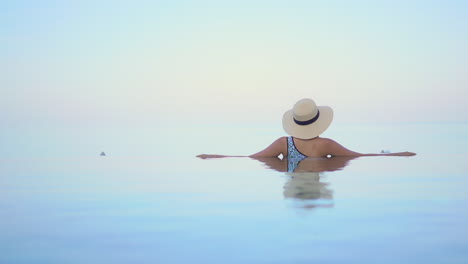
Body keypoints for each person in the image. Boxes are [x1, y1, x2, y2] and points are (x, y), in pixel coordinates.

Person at [197, 98, 416, 159]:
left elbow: (250, 157)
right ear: (319, 120)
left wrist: (214, 155)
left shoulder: (284, 143)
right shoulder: (326, 145)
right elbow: (359, 156)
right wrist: (397, 154)